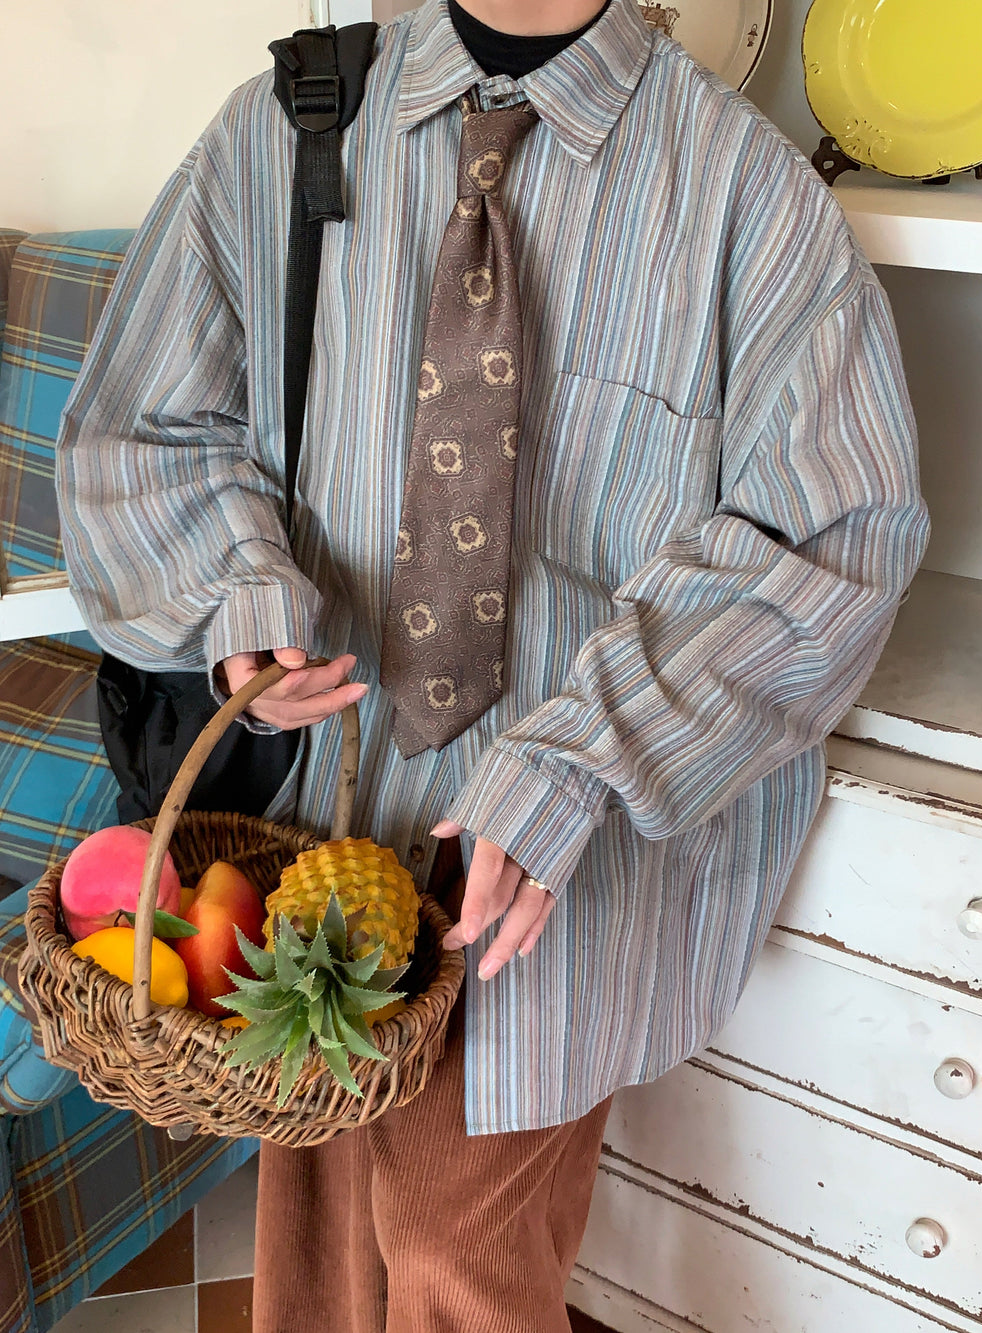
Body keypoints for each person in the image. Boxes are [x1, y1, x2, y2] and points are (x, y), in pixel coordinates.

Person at [56, 0, 929, 1328]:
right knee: (313, 1258)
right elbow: (144, 424)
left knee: (466, 1272)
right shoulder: (295, 126)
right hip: (314, 847)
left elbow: (836, 531)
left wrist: (584, 759)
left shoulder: (743, 196)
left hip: (546, 893)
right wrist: (240, 597)